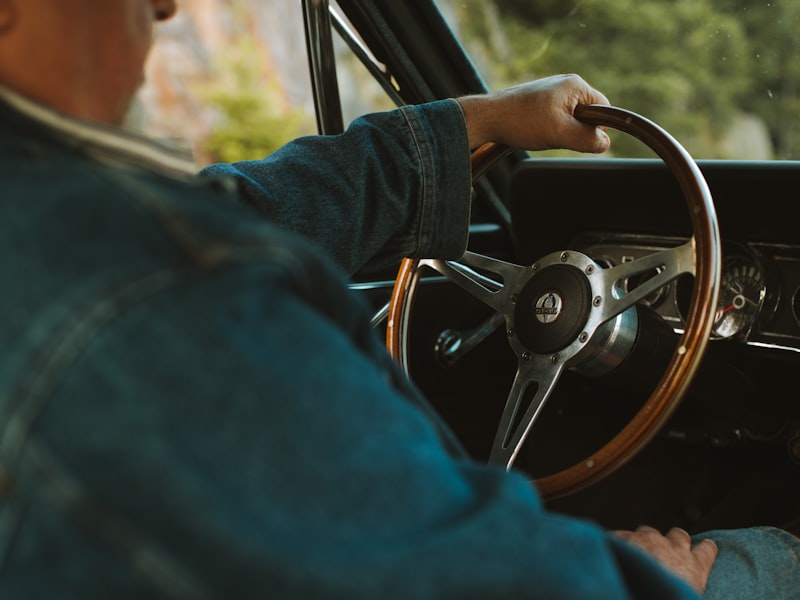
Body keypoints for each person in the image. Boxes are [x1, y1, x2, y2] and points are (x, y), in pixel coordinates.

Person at [0, 1, 797, 598]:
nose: (165, 5)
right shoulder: (143, 286)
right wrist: (672, 584)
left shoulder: (69, 225)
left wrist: (476, 122)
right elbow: (459, 579)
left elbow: (244, 207)